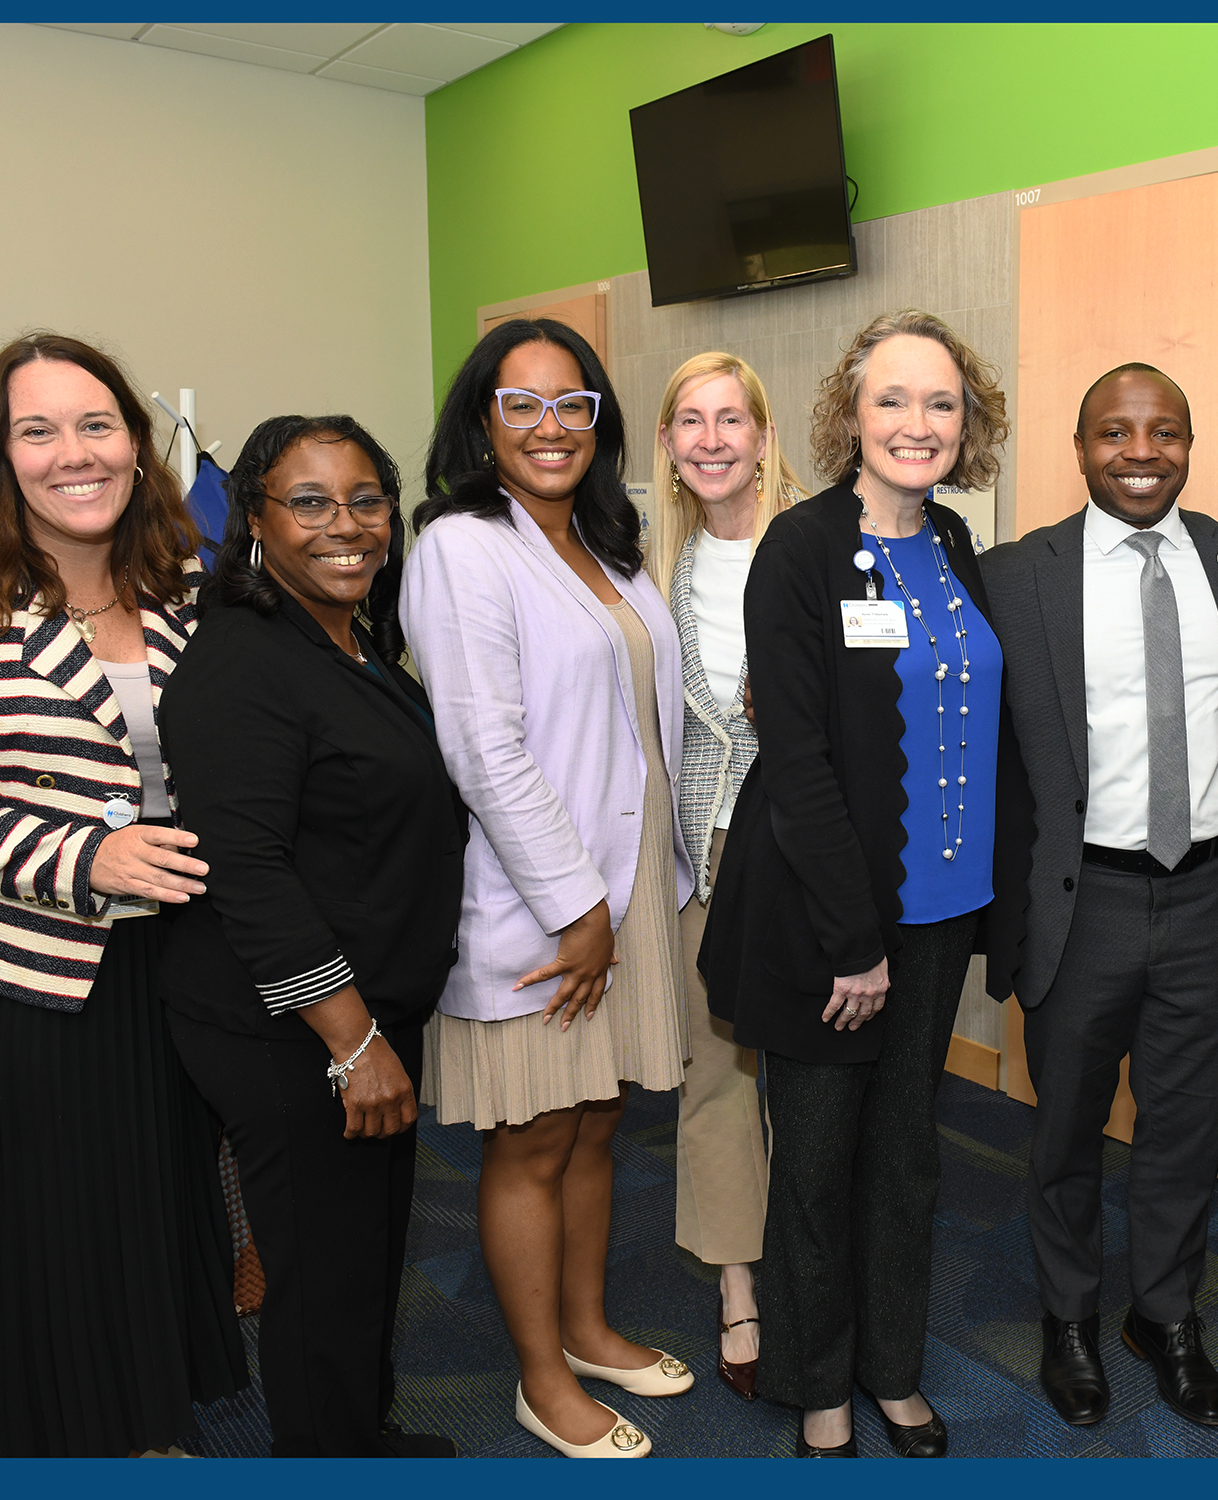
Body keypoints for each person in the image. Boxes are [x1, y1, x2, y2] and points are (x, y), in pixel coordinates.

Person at [0, 333, 246, 1455]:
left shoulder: (187, 578)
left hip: (173, 958)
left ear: (136, 445)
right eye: (37, 430)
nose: (73, 454)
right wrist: (82, 860)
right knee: (36, 1233)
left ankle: (148, 1422)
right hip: (16, 971)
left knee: (147, 1206)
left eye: (96, 425)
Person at [700, 309, 1027, 1458]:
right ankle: (818, 1382)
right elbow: (797, 763)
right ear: (851, 413)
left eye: (942, 403)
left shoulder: (955, 548)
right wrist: (853, 940)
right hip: (831, 927)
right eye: (893, 399)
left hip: (941, 918)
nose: (917, 424)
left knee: (909, 1161)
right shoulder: (798, 551)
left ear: (967, 423)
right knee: (820, 1170)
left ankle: (893, 1368)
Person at [984, 364, 1218, 1430]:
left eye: (1165, 431)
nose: (1141, 452)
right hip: (1084, 904)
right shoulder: (1017, 575)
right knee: (1065, 1128)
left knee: (1183, 1130)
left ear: (1190, 444)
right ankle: (1070, 1318)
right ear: (1079, 448)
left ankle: (1164, 1316)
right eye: (1114, 432)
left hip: (1209, 895)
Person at [400, 317, 691, 1460]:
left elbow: (639, 721)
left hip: (627, 902)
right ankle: (538, 1378)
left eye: (572, 403)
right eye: (521, 404)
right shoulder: (462, 548)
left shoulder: (609, 543)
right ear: (483, 422)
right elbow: (483, 746)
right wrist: (579, 911)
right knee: (532, 1137)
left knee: (600, 1120)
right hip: (546, 913)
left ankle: (585, 1327)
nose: (550, 426)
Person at [159, 414, 466, 1457]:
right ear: (254, 517)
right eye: (311, 502)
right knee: (323, 1274)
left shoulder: (349, 638)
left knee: (366, 1256)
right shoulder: (243, 661)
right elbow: (246, 869)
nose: (348, 526)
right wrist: (354, 1043)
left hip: (360, 1016)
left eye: (367, 499)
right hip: (294, 1033)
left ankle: (357, 1438)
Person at [648, 351, 804, 1400]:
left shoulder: (819, 543)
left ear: (761, 434)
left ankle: (812, 1269)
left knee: (821, 1084)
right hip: (704, 860)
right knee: (718, 1080)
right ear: (667, 444)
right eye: (689, 422)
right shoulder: (645, 569)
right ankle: (739, 1282)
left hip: (811, 859)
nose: (711, 440)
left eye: (729, 419)